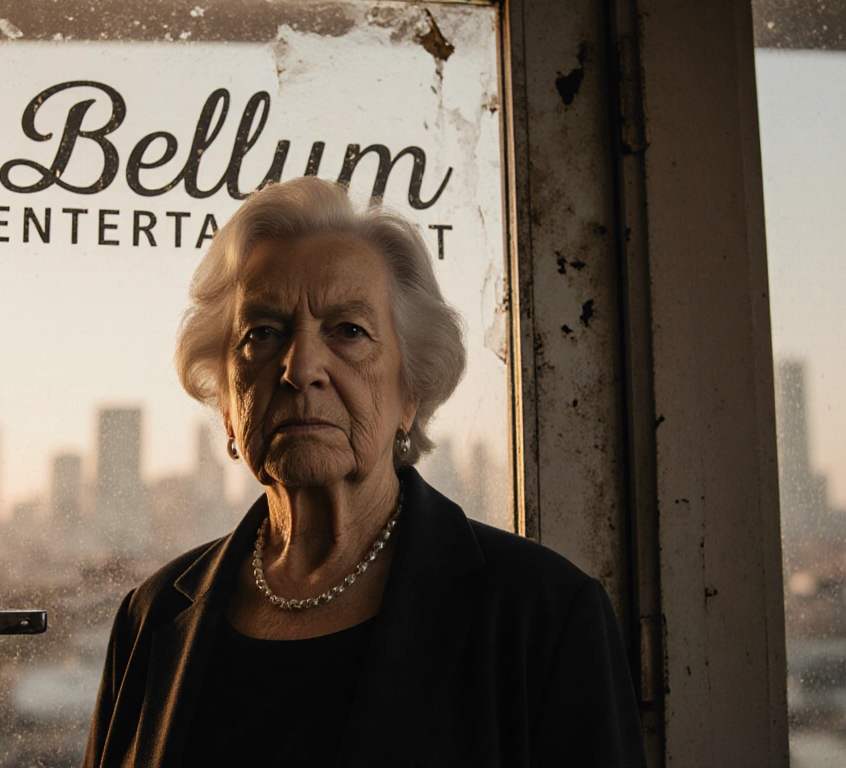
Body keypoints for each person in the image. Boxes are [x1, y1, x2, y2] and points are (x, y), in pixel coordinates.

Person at [81, 177, 644, 767]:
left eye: (348, 331)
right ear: (227, 401)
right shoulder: (151, 618)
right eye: (262, 334)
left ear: (411, 393)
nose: (301, 369)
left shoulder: (544, 617)